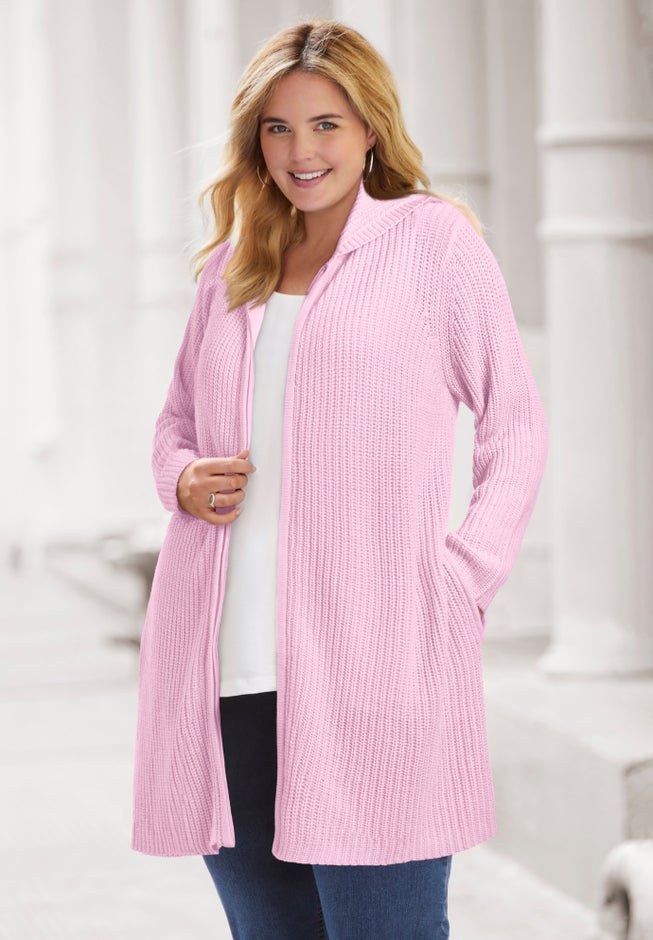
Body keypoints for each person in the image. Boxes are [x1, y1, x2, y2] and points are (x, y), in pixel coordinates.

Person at [130, 17, 549, 940]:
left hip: (373, 661)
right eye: (278, 128)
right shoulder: (231, 268)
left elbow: (514, 424)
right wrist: (183, 478)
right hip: (223, 669)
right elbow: (173, 425)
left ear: (369, 129)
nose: (300, 151)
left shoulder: (432, 245)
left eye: (325, 124)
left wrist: (463, 577)